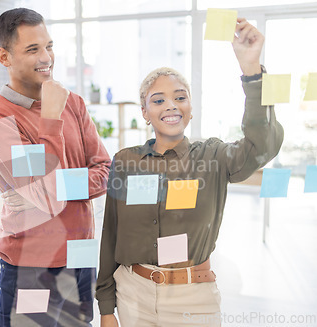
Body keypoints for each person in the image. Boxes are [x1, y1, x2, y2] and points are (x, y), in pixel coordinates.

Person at [96, 19, 284, 326]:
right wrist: (106, 307)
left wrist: (251, 71)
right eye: (158, 100)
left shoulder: (214, 156)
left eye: (180, 97)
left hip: (193, 298)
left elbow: (262, 145)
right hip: (132, 295)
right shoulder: (125, 161)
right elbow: (111, 235)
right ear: (145, 112)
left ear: (191, 107)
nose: (171, 105)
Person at [0, 8, 111, 327]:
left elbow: (105, 171)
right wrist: (51, 117)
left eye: (48, 46)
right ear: (4, 57)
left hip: (79, 256)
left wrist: (53, 187)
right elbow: (44, 193)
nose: (46, 57)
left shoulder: (73, 102)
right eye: (33, 49)